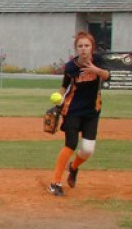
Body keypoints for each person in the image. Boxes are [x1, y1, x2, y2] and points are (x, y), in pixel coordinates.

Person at [47, 31, 111, 197]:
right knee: (71, 144)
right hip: (72, 109)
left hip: (92, 111)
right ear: (76, 49)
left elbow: (107, 76)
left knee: (88, 150)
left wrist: (95, 69)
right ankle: (55, 182)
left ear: (92, 48)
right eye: (80, 46)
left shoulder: (98, 61)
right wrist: (58, 100)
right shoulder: (71, 67)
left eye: (86, 46)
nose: (83, 49)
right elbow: (64, 86)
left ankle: (73, 167)